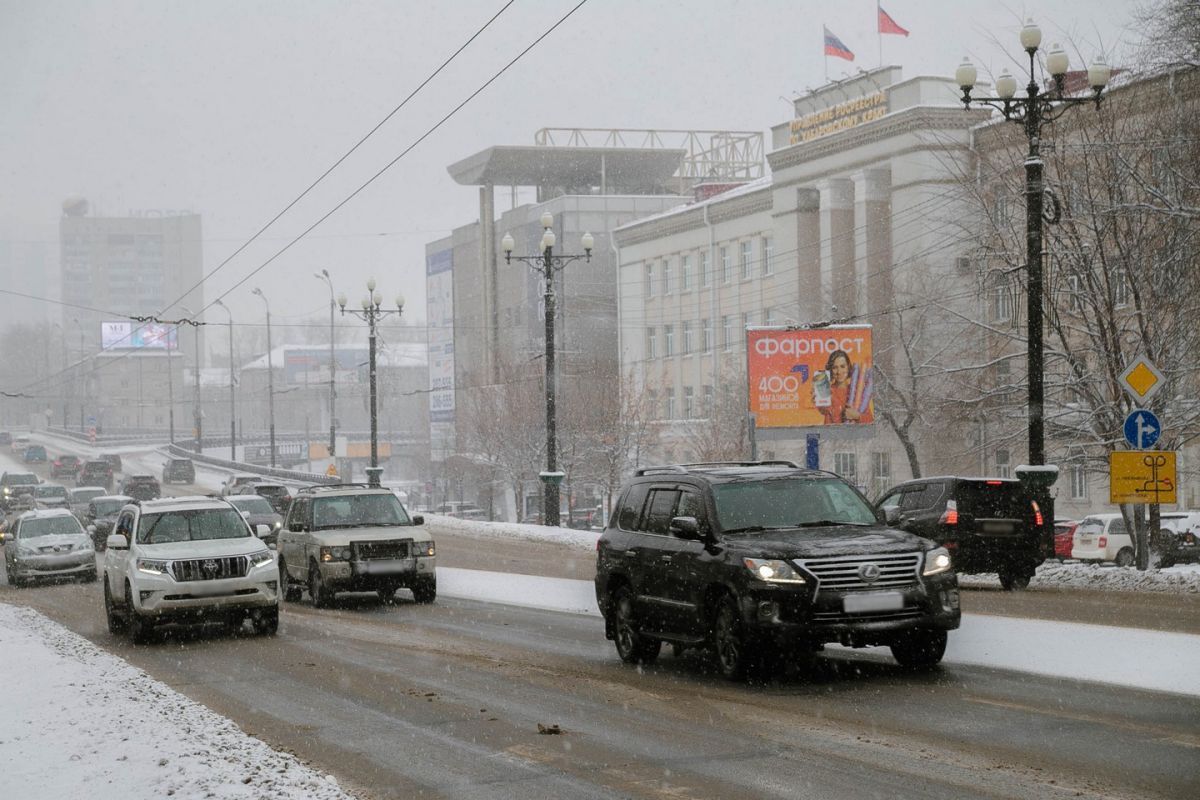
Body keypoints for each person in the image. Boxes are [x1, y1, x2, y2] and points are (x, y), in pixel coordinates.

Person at [817, 349, 873, 424]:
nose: (839, 372)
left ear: (848, 367)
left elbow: (870, 420)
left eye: (842, 366)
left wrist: (857, 416)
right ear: (830, 369)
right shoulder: (827, 391)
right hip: (831, 431)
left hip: (854, 431)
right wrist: (819, 401)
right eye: (834, 367)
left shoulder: (857, 391)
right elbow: (822, 410)